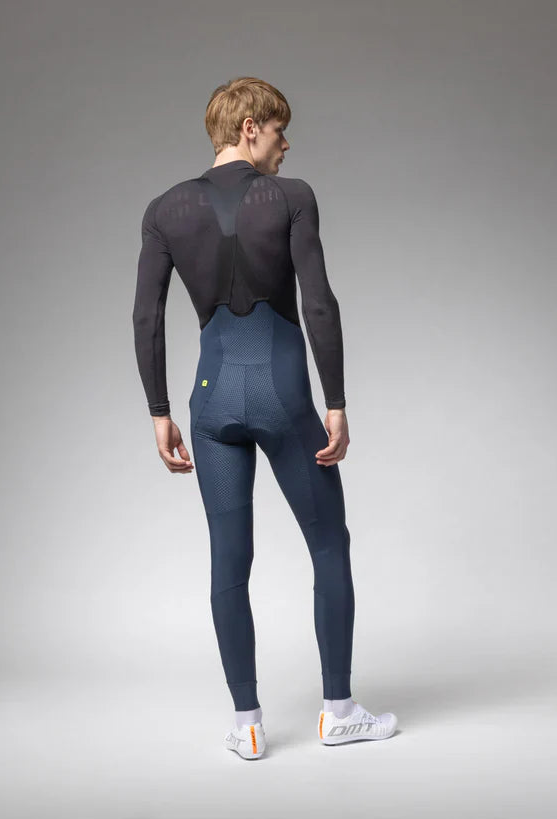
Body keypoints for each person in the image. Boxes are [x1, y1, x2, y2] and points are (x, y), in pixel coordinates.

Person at [133, 76, 397, 758]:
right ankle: (338, 711)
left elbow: (146, 317)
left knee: (228, 558)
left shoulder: (164, 210)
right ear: (249, 127)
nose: (286, 144)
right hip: (283, 396)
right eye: (279, 129)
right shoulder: (291, 197)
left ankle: (246, 724)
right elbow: (319, 302)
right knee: (328, 544)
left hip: (210, 402)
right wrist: (336, 401)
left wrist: (159, 411)